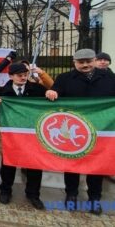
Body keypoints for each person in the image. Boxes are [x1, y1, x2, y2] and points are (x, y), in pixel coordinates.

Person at [45, 48, 115, 215]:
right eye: (81, 62)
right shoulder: (64, 79)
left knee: (96, 165)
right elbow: (55, 92)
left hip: (100, 130)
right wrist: (51, 92)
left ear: (94, 61)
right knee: (72, 163)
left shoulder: (109, 77)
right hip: (72, 130)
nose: (85, 65)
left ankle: (94, 199)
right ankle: (71, 195)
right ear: (74, 63)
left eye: (88, 62)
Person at [0, 63, 47, 210]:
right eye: (20, 75)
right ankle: (5, 191)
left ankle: (33, 194)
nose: (23, 78)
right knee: (8, 164)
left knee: (34, 165)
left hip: (32, 134)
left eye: (25, 75)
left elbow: (49, 103)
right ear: (11, 76)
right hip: (12, 135)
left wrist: (51, 94)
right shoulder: (1, 91)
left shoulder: (37, 89)